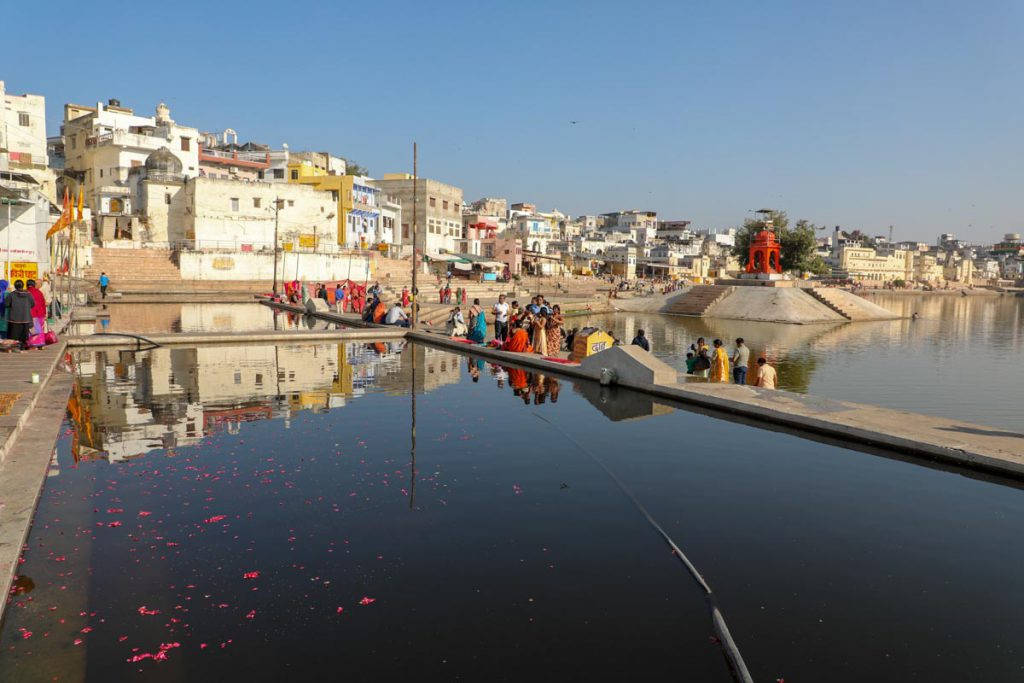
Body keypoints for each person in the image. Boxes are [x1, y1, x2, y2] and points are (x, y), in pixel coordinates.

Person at [5, 281, 35, 351]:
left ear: (15, 286)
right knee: (24, 334)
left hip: (14, 318)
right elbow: (33, 304)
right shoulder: (29, 295)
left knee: (13, 334)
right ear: (23, 285)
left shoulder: (11, 295)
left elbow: (6, 304)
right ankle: (23, 347)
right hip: (25, 317)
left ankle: (14, 348)